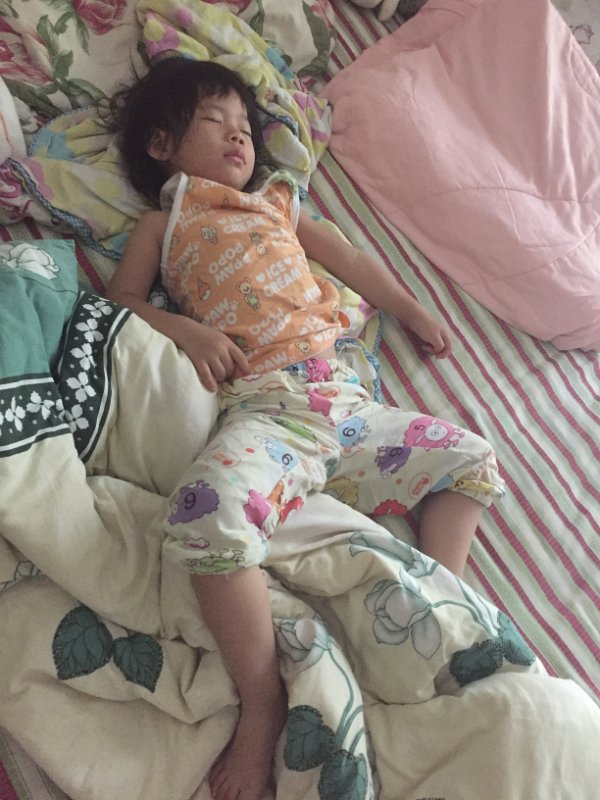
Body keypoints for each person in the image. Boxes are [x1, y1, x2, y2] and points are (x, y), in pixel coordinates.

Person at [107, 58, 505, 800]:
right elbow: (122, 302)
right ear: (161, 144)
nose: (239, 136)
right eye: (214, 121)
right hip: (272, 411)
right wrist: (187, 331)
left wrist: (410, 307)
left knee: (472, 460)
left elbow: (349, 258)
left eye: (245, 126)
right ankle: (262, 697)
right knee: (204, 515)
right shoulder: (165, 222)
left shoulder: (278, 204)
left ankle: (438, 593)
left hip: (347, 406)